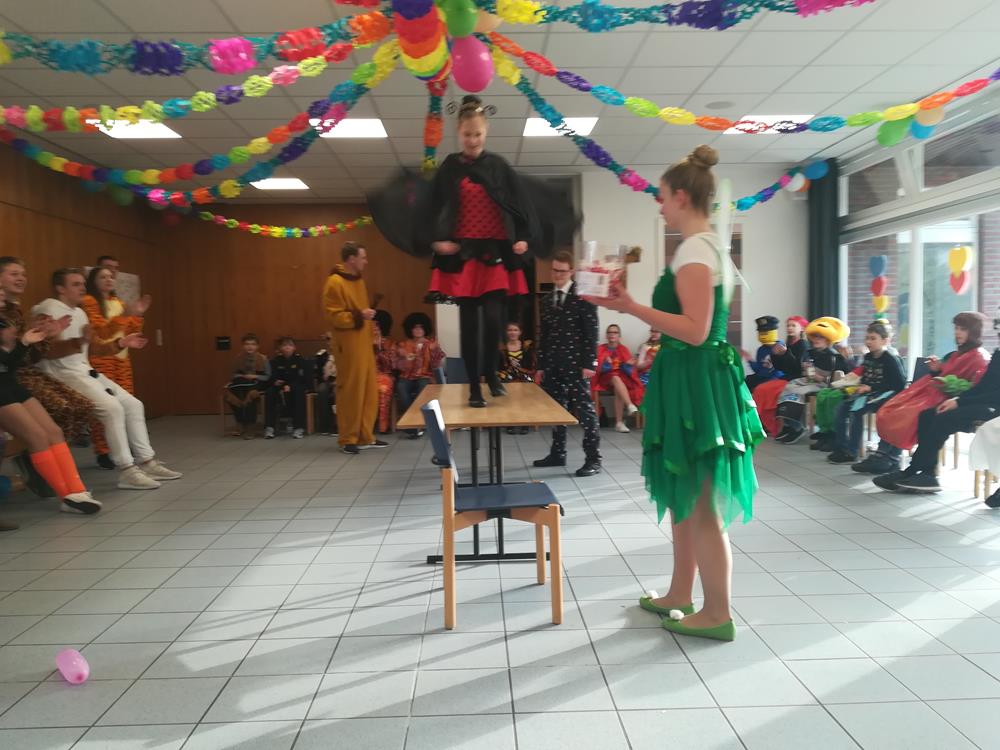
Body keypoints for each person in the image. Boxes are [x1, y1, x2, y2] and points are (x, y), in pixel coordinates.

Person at [587, 145, 763, 642]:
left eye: (662, 197)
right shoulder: (702, 247)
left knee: (702, 503)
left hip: (696, 380)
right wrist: (628, 304)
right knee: (685, 493)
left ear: (682, 197)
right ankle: (680, 592)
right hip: (693, 378)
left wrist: (632, 307)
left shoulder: (696, 250)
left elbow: (695, 330)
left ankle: (717, 612)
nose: (659, 206)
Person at [33, 268, 182, 490]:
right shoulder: (47, 309)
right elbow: (44, 351)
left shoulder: (80, 312)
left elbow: (93, 347)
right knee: (113, 409)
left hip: (84, 370)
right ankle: (127, 470)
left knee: (133, 405)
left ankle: (147, 461)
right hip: (61, 374)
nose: (82, 288)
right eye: (75, 284)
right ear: (60, 288)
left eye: (83, 284)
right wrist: (78, 341)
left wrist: (121, 343)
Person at [874, 311, 1000, 493]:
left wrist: (959, 402)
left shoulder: (980, 356)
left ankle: (917, 471)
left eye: (962, 329)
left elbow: (993, 394)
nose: (957, 332)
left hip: (994, 408)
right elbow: (983, 387)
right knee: (927, 415)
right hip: (982, 402)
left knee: (943, 418)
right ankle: (924, 473)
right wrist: (958, 400)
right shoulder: (996, 354)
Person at [0, 290, 100, 514]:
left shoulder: (6, 317)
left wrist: (26, 341)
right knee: (37, 436)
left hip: (10, 383)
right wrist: (22, 341)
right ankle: (67, 496)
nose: (2, 294)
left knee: (54, 432)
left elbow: (12, 363)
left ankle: (77, 489)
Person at [533, 250, 602, 477]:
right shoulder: (546, 300)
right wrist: (540, 365)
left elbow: (591, 331)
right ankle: (557, 453)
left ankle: (593, 459)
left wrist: (590, 362)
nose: (557, 274)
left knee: (585, 411)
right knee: (557, 410)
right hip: (553, 364)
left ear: (571, 271)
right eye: (554, 270)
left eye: (562, 271)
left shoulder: (583, 297)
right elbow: (544, 335)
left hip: (577, 364)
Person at [81, 265, 150, 468]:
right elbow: (101, 330)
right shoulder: (89, 301)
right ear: (93, 281)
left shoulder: (118, 302)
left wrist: (137, 315)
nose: (108, 280)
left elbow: (131, 329)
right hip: (101, 359)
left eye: (111, 277)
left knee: (127, 405)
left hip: (122, 359)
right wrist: (124, 315)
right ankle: (103, 450)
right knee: (105, 406)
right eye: (103, 277)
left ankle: (125, 448)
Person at [322, 242, 386, 455]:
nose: (366, 262)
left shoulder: (358, 280)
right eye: (363, 257)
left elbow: (361, 312)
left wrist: (367, 323)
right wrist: (360, 315)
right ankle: (348, 438)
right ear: (351, 259)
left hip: (363, 344)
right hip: (348, 346)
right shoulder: (335, 282)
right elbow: (334, 316)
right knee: (351, 391)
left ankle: (366, 435)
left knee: (368, 390)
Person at [826, 321, 906, 464]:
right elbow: (867, 377)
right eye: (867, 338)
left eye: (873, 338)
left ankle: (852, 452)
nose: (868, 341)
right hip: (869, 394)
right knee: (841, 408)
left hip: (886, 396)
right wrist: (860, 386)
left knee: (856, 412)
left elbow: (899, 384)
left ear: (885, 340)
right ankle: (841, 448)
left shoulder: (890, 360)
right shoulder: (868, 357)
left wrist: (871, 388)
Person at [773, 317, 851, 445]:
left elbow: (842, 377)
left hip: (824, 384)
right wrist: (804, 369)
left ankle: (797, 427)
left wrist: (822, 378)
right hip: (809, 380)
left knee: (798, 392)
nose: (816, 339)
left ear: (828, 339)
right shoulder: (810, 353)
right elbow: (800, 369)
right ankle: (789, 424)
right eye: (815, 336)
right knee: (788, 387)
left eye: (820, 337)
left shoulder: (835, 357)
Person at [750, 315, 809, 436]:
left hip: (796, 380)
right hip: (787, 378)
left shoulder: (802, 345)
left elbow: (797, 368)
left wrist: (785, 353)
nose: (789, 328)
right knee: (761, 389)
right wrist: (776, 355)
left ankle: (793, 426)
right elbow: (780, 367)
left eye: (793, 325)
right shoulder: (789, 344)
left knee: (764, 390)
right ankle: (771, 425)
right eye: (788, 325)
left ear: (802, 329)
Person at [395, 312, 445, 439]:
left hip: (425, 376)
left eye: (421, 327)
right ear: (410, 329)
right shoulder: (403, 345)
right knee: (401, 387)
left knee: (423, 387)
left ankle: (416, 424)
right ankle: (413, 422)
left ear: (425, 329)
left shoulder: (431, 344)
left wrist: (434, 351)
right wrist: (402, 357)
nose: (418, 330)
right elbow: (397, 366)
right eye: (415, 327)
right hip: (407, 376)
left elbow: (437, 365)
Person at [594, 323, 645, 433]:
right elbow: (595, 366)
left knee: (618, 385)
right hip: (604, 379)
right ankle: (629, 405)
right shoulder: (600, 349)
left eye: (615, 332)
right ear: (606, 336)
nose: (612, 334)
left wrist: (628, 365)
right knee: (615, 378)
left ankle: (619, 423)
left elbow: (629, 371)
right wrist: (604, 364)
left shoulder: (623, 349)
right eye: (610, 332)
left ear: (619, 336)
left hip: (621, 379)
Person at [225, 333, 270, 439]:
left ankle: (250, 427)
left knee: (251, 395)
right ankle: (240, 423)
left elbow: (268, 377)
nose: (250, 347)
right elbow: (233, 375)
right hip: (241, 383)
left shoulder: (263, 359)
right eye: (247, 344)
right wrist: (243, 376)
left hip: (257, 383)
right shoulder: (238, 358)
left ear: (257, 346)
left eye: (253, 344)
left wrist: (255, 376)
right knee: (232, 395)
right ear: (243, 346)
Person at [264, 336, 307, 440]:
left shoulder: (299, 360)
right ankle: (270, 427)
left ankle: (298, 427)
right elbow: (272, 376)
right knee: (270, 392)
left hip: (295, 386)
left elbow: (301, 377)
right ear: (280, 348)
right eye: (284, 345)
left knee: (299, 391)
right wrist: (276, 382)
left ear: (294, 348)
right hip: (279, 386)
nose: (287, 347)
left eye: (290, 345)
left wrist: (290, 386)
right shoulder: (275, 361)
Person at [743, 316, 783, 392]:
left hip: (776, 380)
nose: (762, 335)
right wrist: (750, 360)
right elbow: (759, 371)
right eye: (760, 332)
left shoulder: (780, 347)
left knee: (758, 389)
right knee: (744, 384)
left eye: (765, 332)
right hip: (763, 378)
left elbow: (778, 372)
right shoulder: (761, 350)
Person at [372, 311, 395, 435]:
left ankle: (383, 426)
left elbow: (390, 365)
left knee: (383, 388)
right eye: (372, 324)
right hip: (365, 375)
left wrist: (380, 349)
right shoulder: (362, 344)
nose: (374, 327)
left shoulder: (390, 344)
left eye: (377, 325)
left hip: (384, 374)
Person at [314, 332, 337, 436]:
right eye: (328, 339)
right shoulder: (321, 355)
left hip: (342, 380)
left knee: (337, 392)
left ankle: (336, 425)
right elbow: (318, 373)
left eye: (332, 339)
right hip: (327, 381)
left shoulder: (344, 353)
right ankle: (324, 425)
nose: (330, 342)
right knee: (322, 390)